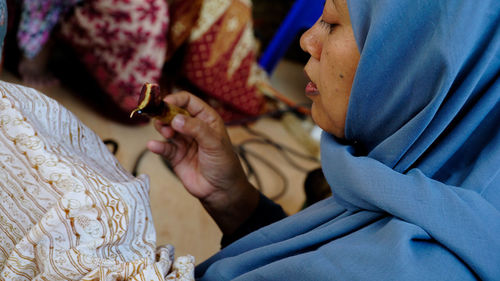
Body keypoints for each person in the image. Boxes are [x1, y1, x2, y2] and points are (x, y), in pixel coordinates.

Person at [147, 0, 500, 279]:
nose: (307, 40)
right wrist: (233, 198)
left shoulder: (398, 268)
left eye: (331, 22)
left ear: (413, 65)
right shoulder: (428, 182)